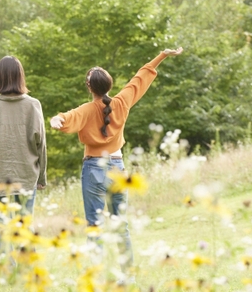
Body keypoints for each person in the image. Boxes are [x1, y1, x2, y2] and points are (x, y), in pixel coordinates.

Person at [50, 47, 183, 280]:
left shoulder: (87, 109)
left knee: (95, 226)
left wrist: (56, 120)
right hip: (118, 169)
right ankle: (128, 278)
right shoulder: (121, 103)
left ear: (89, 87)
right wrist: (162, 55)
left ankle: (98, 279)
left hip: (94, 170)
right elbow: (140, 78)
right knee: (121, 226)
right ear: (109, 86)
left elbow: (65, 120)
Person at [0, 56, 47, 253]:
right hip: (26, 175)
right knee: (25, 227)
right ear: (20, 76)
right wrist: (42, 177)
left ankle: (6, 274)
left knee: (2, 228)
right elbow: (41, 144)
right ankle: (27, 273)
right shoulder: (33, 105)